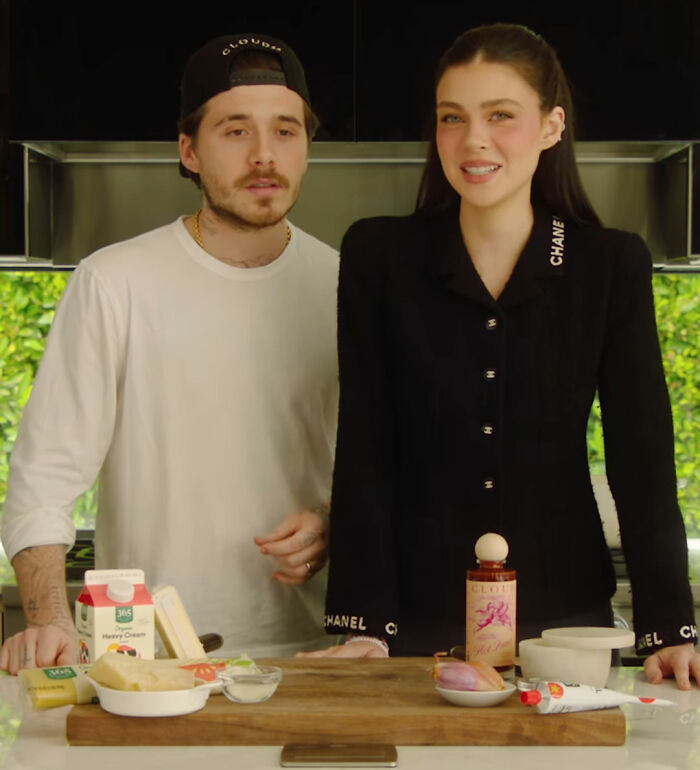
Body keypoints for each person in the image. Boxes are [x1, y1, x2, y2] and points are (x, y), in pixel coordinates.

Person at [300, 23, 700, 690]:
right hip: (413, 623)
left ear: (551, 126)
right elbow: (367, 442)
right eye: (452, 117)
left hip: (565, 625)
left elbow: (642, 455)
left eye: (501, 116)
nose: (473, 140)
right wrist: (363, 622)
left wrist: (670, 627)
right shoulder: (380, 256)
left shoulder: (607, 264)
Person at [0, 33, 340, 674]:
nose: (264, 155)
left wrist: (331, 521)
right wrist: (48, 620)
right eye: (235, 131)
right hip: (146, 660)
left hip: (315, 658)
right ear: (189, 150)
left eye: (285, 131)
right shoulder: (114, 283)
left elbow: (383, 472)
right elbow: (42, 481)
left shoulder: (345, 286)